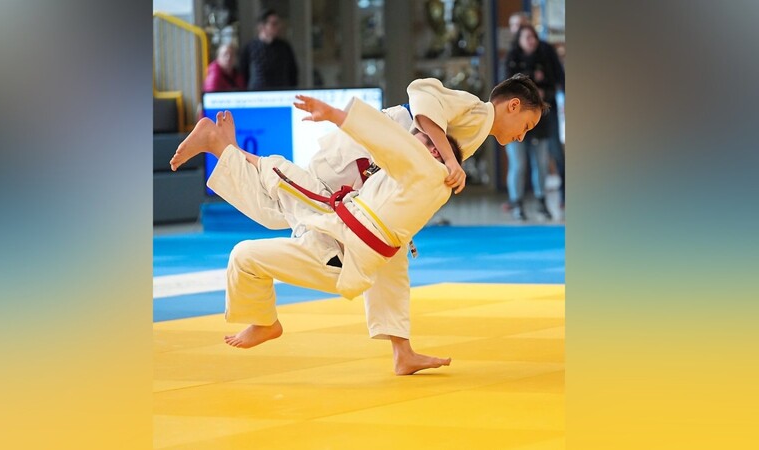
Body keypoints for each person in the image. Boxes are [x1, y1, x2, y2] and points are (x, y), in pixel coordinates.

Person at [170, 84, 547, 374]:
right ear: (513, 105)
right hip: (362, 162)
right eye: (526, 125)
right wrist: (449, 159)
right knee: (288, 205)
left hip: (377, 176)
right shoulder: (476, 112)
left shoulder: (473, 129)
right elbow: (421, 94)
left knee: (391, 253)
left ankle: (403, 352)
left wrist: (442, 167)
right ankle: (225, 150)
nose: (521, 136)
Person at [504, 24, 564, 221]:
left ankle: (541, 201)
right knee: (518, 164)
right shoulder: (511, 60)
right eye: (527, 37)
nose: (531, 41)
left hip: (540, 120)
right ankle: (517, 203)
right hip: (514, 121)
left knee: (540, 162)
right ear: (519, 40)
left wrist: (542, 93)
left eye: (533, 37)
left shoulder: (544, 57)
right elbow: (503, 90)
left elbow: (555, 83)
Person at [240, 8, 298, 90]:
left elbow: (293, 72)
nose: (278, 27)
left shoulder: (285, 47)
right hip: (257, 95)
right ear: (262, 26)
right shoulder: (250, 47)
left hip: (281, 94)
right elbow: (244, 73)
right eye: (274, 24)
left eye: (278, 23)